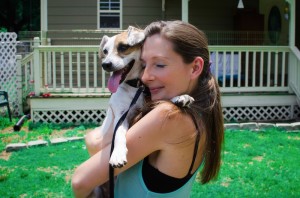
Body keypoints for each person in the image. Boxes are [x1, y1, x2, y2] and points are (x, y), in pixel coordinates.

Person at [72, 20, 224, 197]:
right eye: (144, 64)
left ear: (195, 67)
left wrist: (92, 138)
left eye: (159, 64)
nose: (145, 76)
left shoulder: (167, 117)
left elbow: (80, 180)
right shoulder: (198, 110)